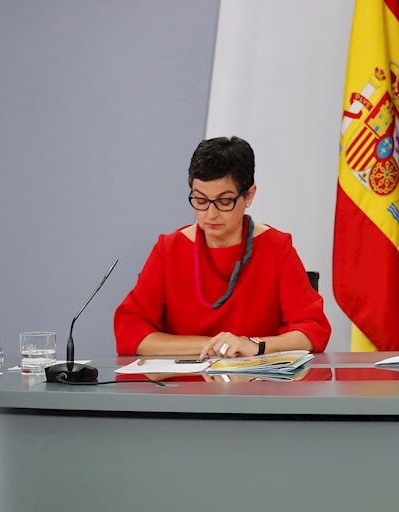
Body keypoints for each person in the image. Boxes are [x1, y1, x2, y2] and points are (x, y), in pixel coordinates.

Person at [113, 136, 331, 358]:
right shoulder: (169, 249)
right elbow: (130, 332)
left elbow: (313, 330)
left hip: (255, 378)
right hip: (183, 379)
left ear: (249, 195)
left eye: (224, 201)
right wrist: (215, 345)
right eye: (200, 200)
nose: (210, 214)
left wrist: (254, 345)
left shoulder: (276, 247)